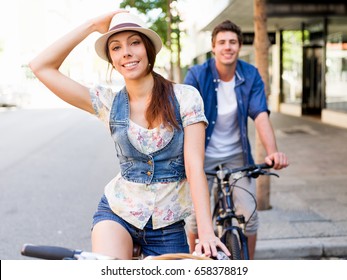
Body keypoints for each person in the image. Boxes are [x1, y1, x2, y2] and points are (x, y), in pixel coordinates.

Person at [29, 10, 230, 260]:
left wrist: (207, 233)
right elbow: (41, 67)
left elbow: (194, 166)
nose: (126, 52)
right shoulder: (108, 102)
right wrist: (92, 24)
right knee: (109, 270)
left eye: (134, 42)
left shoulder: (185, 97)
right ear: (112, 59)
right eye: (116, 47)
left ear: (148, 50)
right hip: (117, 213)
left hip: (167, 227)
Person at [183, 20, 289, 259]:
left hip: (236, 155)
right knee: (194, 219)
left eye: (232, 42)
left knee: (249, 217)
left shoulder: (249, 74)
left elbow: (260, 114)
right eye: (222, 42)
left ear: (239, 46)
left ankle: (248, 265)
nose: (227, 47)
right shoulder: (198, 75)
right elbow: (183, 114)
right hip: (202, 156)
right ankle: (191, 262)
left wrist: (273, 152)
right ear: (213, 47)